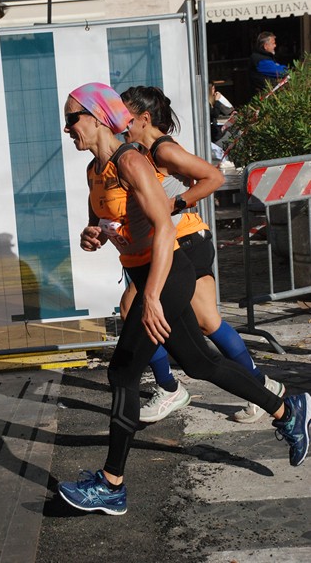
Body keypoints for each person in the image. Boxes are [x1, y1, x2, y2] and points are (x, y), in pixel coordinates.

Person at [57, 81, 311, 516]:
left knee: (122, 373)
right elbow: (104, 223)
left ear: (98, 117)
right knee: (199, 363)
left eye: (71, 118)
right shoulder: (93, 171)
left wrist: (151, 297)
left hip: (169, 273)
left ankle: (113, 484)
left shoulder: (131, 162)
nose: (66, 129)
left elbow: (165, 230)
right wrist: (94, 235)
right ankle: (287, 408)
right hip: (148, 272)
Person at [119, 85, 285, 425]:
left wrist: (175, 203)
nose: (121, 124)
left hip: (185, 241)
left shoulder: (162, 149)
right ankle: (263, 387)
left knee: (133, 306)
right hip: (179, 242)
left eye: (126, 117)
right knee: (208, 322)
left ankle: (170, 388)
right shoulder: (142, 151)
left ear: (144, 118)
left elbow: (214, 176)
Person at [248, 32, 288, 96]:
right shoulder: (260, 59)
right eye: (273, 43)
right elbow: (280, 71)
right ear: (265, 46)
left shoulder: (264, 57)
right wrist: (288, 69)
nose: (275, 45)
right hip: (264, 98)